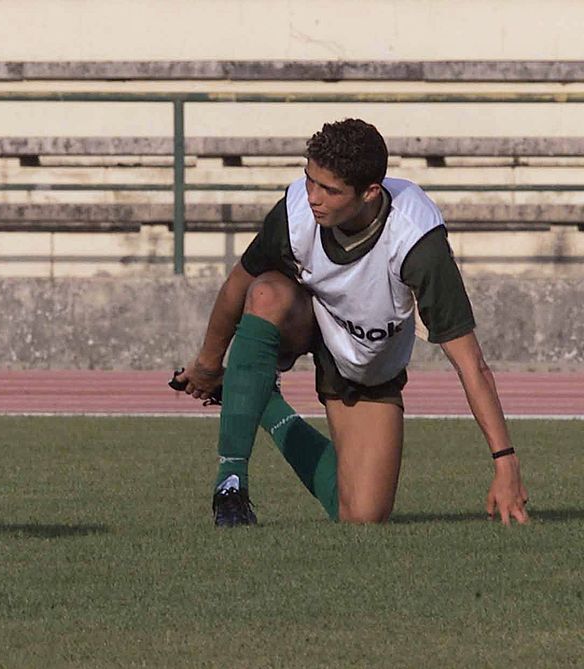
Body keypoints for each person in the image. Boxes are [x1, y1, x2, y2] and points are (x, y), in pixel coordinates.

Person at [173, 118, 529, 526]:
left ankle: (262, 400)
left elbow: (470, 362)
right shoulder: (296, 210)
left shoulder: (417, 241)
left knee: (363, 515)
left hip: (365, 359)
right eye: (310, 180)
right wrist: (207, 364)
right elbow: (239, 282)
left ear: (370, 192)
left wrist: (505, 461)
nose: (314, 197)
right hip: (305, 316)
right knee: (266, 293)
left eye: (330, 190)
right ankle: (231, 482)